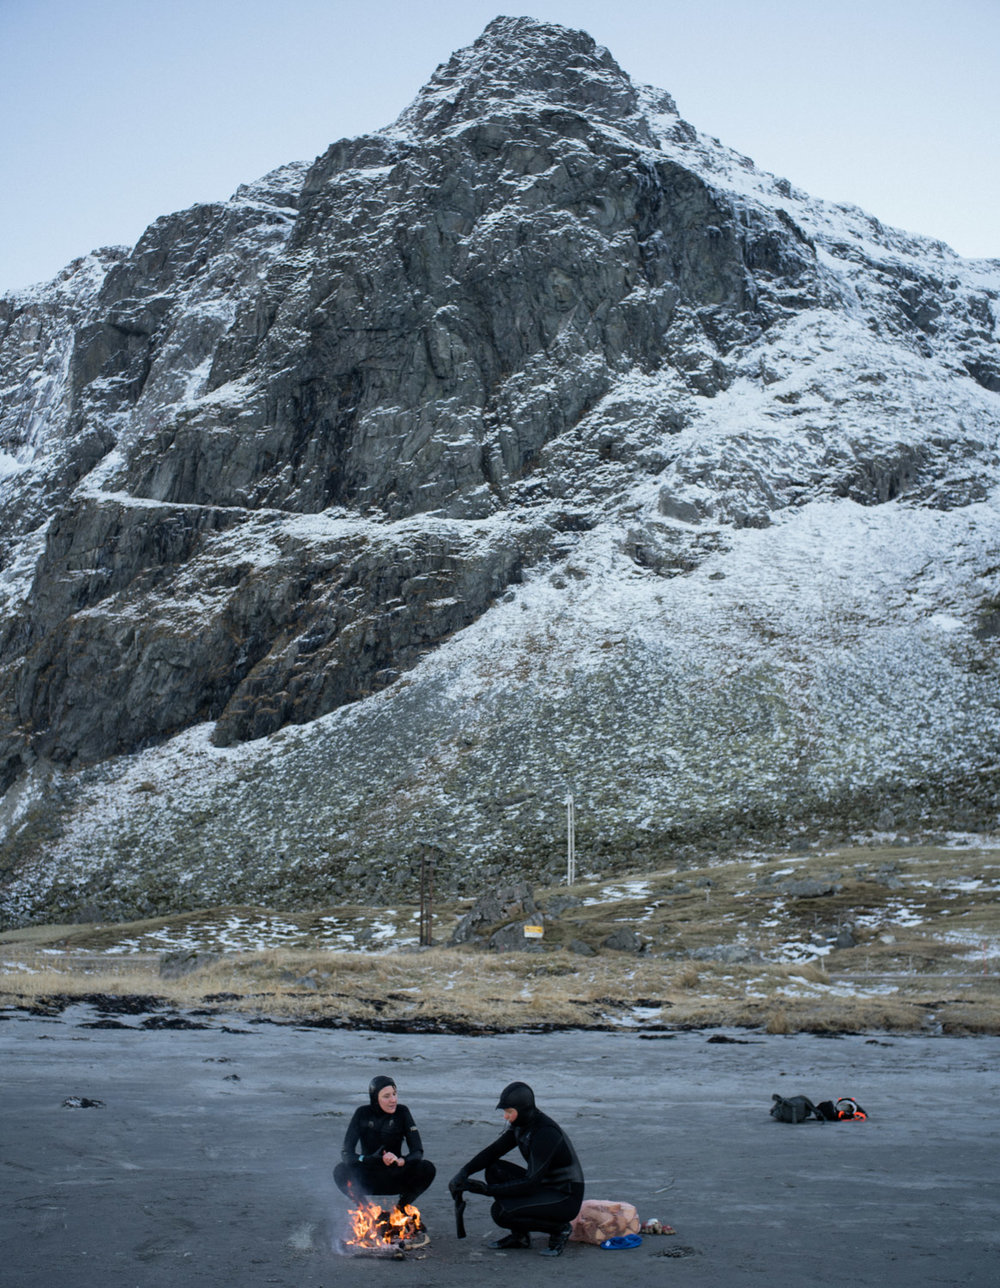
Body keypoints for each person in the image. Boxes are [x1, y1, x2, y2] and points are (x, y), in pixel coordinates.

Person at [449, 1080, 584, 1257]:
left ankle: (559, 1229)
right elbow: (493, 1151)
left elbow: (530, 1183)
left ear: (524, 1110)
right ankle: (520, 1237)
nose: (505, 1117)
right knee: (494, 1169)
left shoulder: (545, 1132)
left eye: (509, 1112)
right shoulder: (522, 1125)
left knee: (501, 1212)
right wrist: (463, 1172)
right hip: (544, 1185)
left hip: (564, 1196)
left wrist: (486, 1190)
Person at [334, 1075, 436, 1218]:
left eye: (394, 1094)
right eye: (386, 1096)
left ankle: (400, 1210)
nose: (393, 1100)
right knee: (340, 1170)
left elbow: (418, 1151)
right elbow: (346, 1154)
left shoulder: (402, 1112)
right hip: (368, 1177)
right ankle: (368, 1212)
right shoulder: (362, 1113)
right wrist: (369, 1159)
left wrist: (402, 1161)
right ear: (375, 1098)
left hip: (395, 1175)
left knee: (427, 1168)